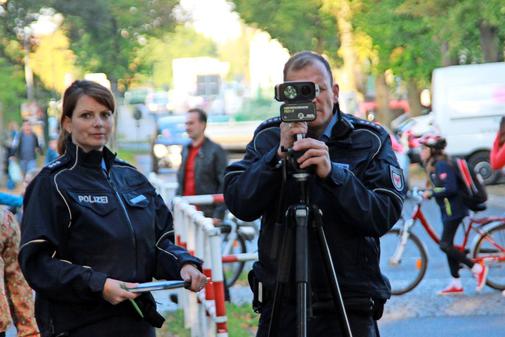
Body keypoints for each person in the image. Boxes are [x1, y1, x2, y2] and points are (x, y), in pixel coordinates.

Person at [223, 51, 406, 337]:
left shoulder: (368, 140)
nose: (311, 99)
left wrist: (335, 175)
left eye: (317, 89)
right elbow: (240, 202)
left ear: (334, 91)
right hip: (282, 304)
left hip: (348, 303)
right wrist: (277, 156)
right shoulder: (269, 137)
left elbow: (383, 214)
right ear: (285, 97)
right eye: (298, 91)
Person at [19, 80, 207, 337]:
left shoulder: (132, 178)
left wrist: (183, 265)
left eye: (105, 114)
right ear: (67, 122)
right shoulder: (51, 184)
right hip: (79, 326)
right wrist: (99, 284)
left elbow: (160, 243)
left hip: (137, 322)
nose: (98, 123)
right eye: (87, 115)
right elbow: (37, 263)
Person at [418, 134, 488, 295]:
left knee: (445, 245)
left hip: (455, 211)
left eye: (423, 148)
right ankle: (456, 283)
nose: (421, 152)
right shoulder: (436, 164)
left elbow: (450, 189)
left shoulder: (442, 164)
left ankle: (477, 268)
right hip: (448, 210)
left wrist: (431, 193)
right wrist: (429, 191)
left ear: (433, 150)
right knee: (448, 245)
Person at [176, 108, 228, 224]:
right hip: (186, 212)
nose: (187, 127)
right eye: (186, 123)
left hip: (207, 216)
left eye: (191, 123)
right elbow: (181, 183)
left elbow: (224, 184)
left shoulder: (216, 151)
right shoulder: (185, 149)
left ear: (203, 125)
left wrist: (218, 215)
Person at [0, 208, 39, 337]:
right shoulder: (4, 218)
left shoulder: (4, 219)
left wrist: (29, 331)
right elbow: (17, 282)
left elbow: (17, 281)